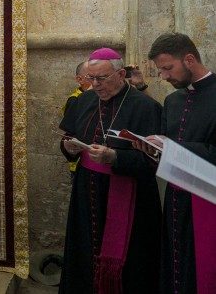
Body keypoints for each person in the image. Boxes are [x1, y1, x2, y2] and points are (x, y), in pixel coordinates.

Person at [58, 47, 162, 294]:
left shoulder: (146, 107)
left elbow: (156, 160)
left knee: (131, 263)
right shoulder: (84, 100)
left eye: (101, 79)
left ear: (121, 74)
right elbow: (68, 137)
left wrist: (115, 157)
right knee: (84, 253)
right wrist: (69, 148)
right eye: (91, 78)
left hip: (131, 197)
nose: (95, 85)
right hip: (86, 192)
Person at [134, 33, 216, 293]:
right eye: (160, 70)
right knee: (174, 266)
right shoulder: (173, 100)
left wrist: (171, 146)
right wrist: (151, 148)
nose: (164, 76)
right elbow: (166, 147)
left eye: (168, 68)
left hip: (208, 200)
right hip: (175, 199)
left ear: (189, 59)